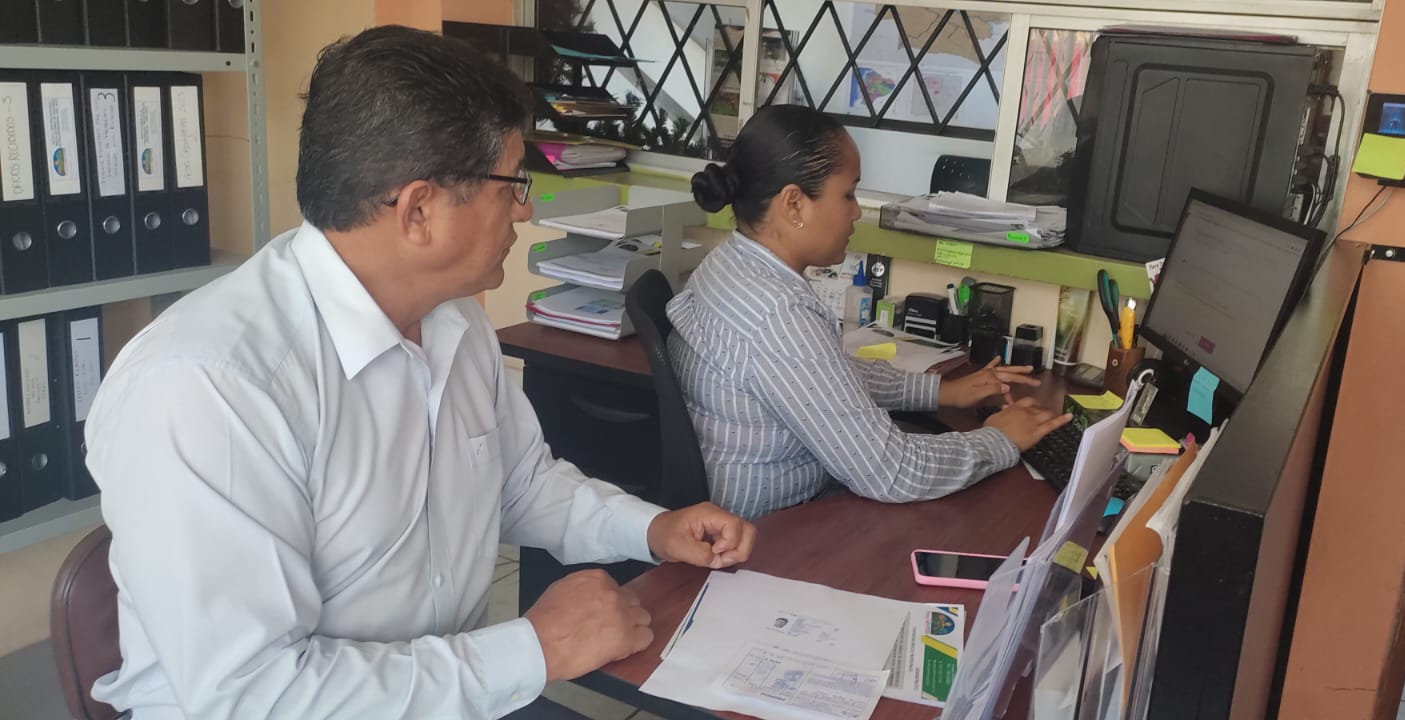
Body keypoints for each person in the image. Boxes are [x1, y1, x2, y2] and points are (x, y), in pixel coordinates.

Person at [84, 26, 755, 719]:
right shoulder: (210, 387)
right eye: (512, 184)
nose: (525, 209)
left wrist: (652, 529)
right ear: (419, 210)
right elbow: (253, 696)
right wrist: (535, 649)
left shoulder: (453, 321)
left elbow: (518, 484)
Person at [667, 105, 1073, 520]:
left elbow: (823, 375)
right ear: (794, 205)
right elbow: (892, 472)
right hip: (771, 531)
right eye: (848, 194)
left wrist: (939, 391)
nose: (857, 211)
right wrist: (1000, 439)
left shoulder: (727, 265)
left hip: (743, 508)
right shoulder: (778, 314)